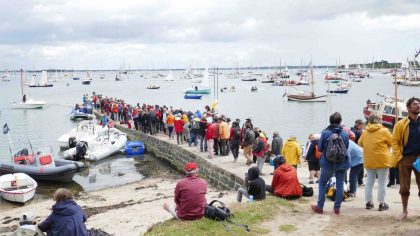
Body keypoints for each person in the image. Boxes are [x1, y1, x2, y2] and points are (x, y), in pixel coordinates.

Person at [311, 112, 350, 215]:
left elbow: (319, 148)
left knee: (323, 182)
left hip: (328, 163)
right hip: (342, 162)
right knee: (340, 183)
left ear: (330, 121)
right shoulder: (345, 133)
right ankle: (337, 208)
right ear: (340, 121)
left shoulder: (325, 133)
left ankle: (320, 207)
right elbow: (346, 148)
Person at [391, 97, 420, 221]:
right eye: (414, 104)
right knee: (404, 187)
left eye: (419, 104)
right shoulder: (401, 124)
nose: (418, 106)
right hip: (406, 158)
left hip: (419, 158)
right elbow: (395, 142)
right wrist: (399, 157)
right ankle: (404, 211)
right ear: (408, 108)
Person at [358, 113, 392, 211]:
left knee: (369, 181)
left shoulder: (365, 132)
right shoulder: (384, 130)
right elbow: (392, 142)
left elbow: (360, 143)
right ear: (379, 120)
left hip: (369, 159)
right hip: (382, 159)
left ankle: (369, 202)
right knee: (382, 182)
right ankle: (382, 203)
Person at [351, 119, 365, 186]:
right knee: (360, 166)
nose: (363, 126)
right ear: (359, 124)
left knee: (353, 167)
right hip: (359, 151)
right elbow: (362, 142)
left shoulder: (352, 130)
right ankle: (360, 181)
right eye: (363, 124)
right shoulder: (359, 132)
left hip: (352, 151)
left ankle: (355, 181)